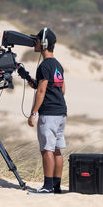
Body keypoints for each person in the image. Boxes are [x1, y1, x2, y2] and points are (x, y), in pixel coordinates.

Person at [28, 28, 67, 194]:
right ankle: (57, 186)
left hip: (49, 113)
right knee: (57, 149)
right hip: (61, 112)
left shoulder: (44, 66)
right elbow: (62, 90)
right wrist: (33, 82)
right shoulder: (57, 65)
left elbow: (42, 91)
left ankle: (47, 186)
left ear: (43, 43)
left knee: (47, 150)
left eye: (37, 40)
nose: (34, 43)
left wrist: (33, 113)